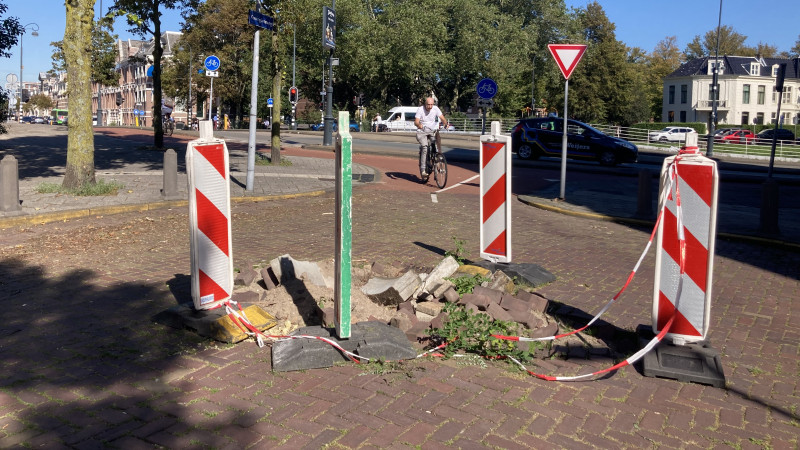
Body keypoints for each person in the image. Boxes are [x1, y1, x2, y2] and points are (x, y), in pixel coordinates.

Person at [414, 97, 448, 177]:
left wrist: (445, 123)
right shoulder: (420, 109)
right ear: (425, 104)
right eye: (428, 105)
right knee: (425, 148)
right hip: (422, 132)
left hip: (431, 131)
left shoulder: (435, 109)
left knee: (436, 144)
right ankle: (423, 170)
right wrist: (419, 125)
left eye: (431, 104)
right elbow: (416, 122)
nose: (430, 106)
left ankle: (437, 161)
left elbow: (442, 118)